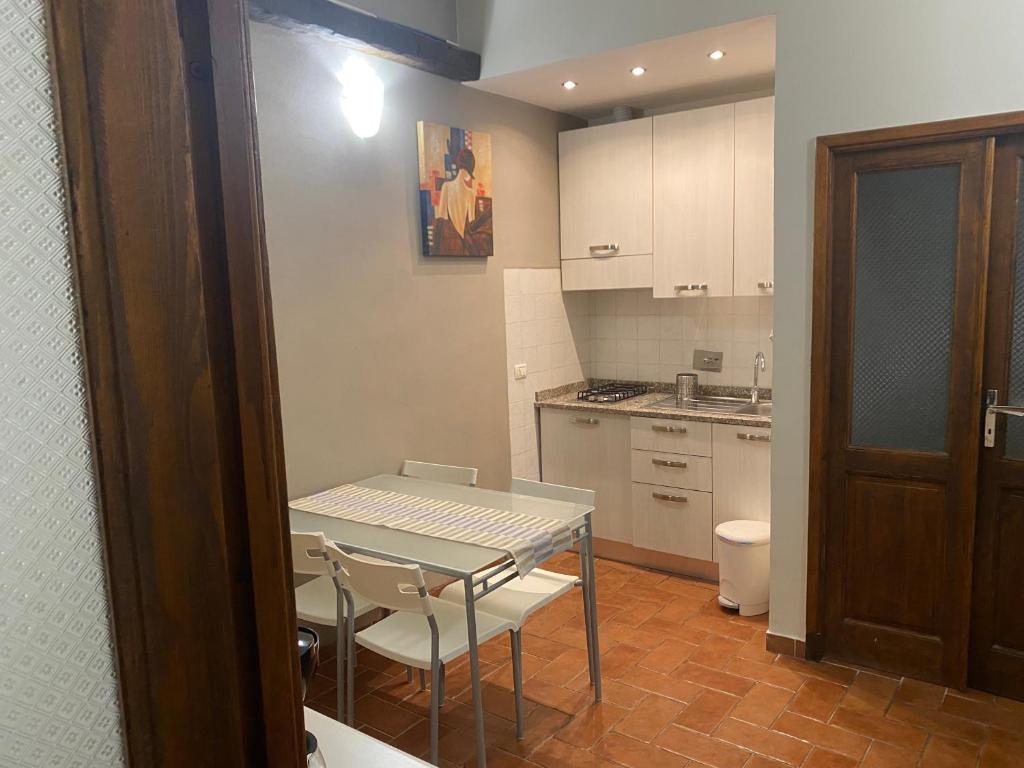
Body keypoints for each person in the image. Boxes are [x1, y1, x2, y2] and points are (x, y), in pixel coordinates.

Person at [432, 148, 485, 255]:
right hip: (464, 247)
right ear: (468, 172)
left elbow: (441, 219)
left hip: (448, 246)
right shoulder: (470, 193)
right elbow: (471, 223)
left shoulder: (446, 187)